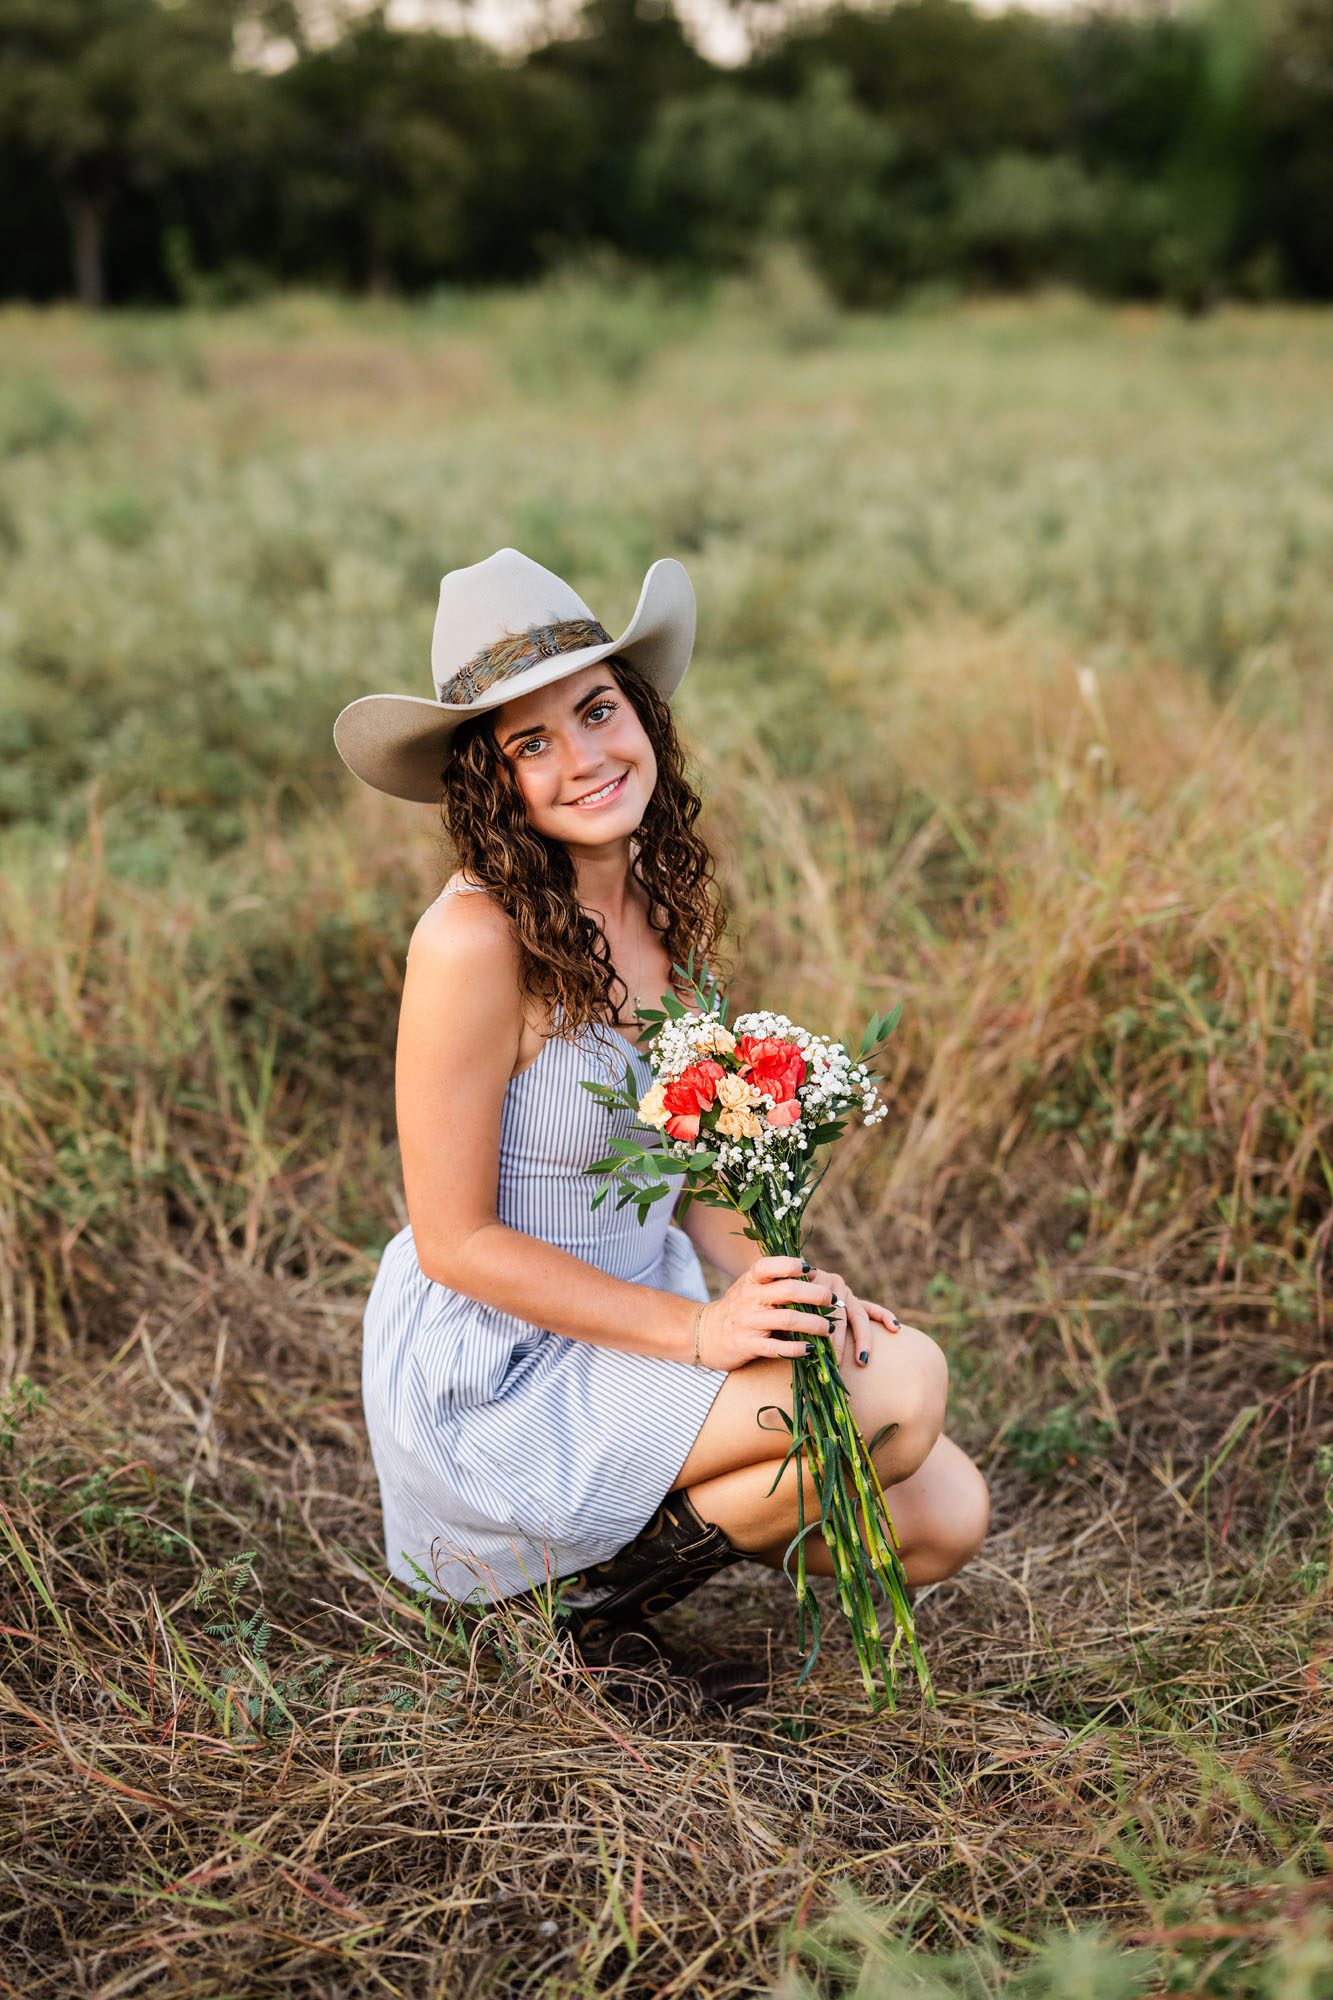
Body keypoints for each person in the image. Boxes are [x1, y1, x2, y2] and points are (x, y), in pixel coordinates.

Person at [333, 547, 988, 1709]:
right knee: (899, 1389)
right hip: (509, 1363)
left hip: (647, 1304)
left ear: (641, 712)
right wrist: (700, 1334)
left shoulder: (658, 898)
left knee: (942, 1514)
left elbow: (690, 1166)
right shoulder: (473, 943)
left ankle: (579, 1597)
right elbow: (454, 1241)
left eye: (596, 709)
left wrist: (778, 1282)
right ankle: (555, 1616)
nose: (584, 758)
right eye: (533, 743)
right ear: (493, 779)